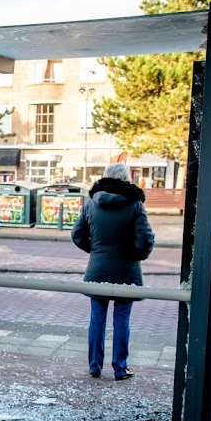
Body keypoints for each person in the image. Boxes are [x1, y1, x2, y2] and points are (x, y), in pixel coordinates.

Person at [71, 163, 155, 381]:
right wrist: (134, 254)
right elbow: (145, 240)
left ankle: (94, 366)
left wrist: (97, 251)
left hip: (97, 269)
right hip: (126, 271)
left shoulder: (91, 203)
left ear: (106, 177)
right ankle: (120, 367)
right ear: (126, 179)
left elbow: (77, 235)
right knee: (122, 319)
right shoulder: (135, 205)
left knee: (96, 319)